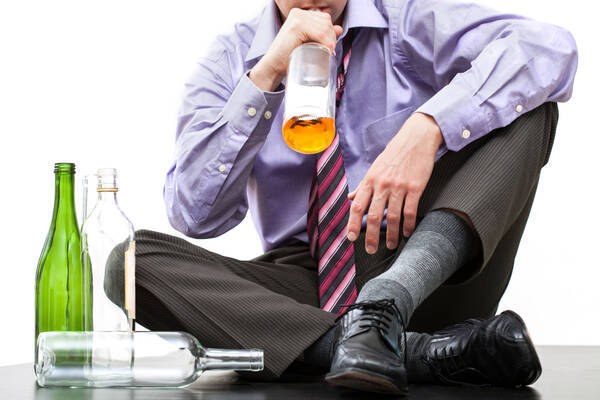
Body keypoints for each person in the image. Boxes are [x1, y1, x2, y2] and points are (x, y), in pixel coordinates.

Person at [110, 0, 578, 395]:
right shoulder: (232, 58)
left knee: (529, 109)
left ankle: (384, 306)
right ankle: (410, 351)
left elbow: (549, 48)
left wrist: (428, 127)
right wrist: (266, 74)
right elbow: (194, 213)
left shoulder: (406, 18)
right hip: (305, 286)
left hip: (422, 263)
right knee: (129, 264)